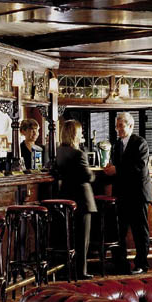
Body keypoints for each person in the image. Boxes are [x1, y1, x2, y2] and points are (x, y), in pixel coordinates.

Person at [103, 112, 152, 274]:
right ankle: (121, 264)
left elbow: (139, 168)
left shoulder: (140, 143)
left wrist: (116, 169)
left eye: (121, 126)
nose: (118, 129)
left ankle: (142, 264)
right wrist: (110, 169)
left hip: (138, 194)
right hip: (122, 194)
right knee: (120, 231)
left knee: (140, 231)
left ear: (131, 126)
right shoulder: (117, 145)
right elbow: (117, 168)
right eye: (116, 126)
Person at [54, 120, 96, 280]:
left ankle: (67, 269)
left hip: (65, 196)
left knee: (69, 238)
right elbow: (88, 176)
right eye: (80, 132)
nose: (82, 134)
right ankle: (81, 271)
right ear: (74, 134)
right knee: (82, 239)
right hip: (82, 199)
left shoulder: (59, 151)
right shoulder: (78, 154)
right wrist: (93, 174)